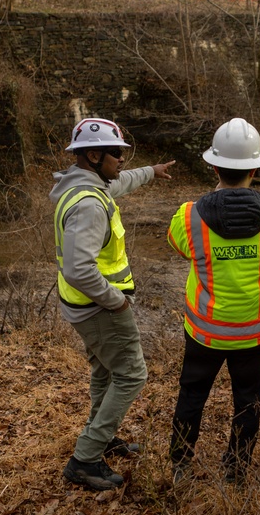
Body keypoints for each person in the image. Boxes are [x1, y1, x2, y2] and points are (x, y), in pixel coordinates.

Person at [51, 117, 175, 491]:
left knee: (105, 372)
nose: (122, 159)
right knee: (132, 375)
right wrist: (116, 301)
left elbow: (121, 182)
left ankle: (102, 439)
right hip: (98, 308)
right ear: (93, 154)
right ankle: (86, 458)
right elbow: (78, 269)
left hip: (81, 305)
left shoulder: (81, 184)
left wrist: (151, 172)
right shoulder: (89, 204)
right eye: (117, 153)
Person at [167, 118, 260, 485]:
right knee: (247, 401)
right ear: (256, 168)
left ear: (213, 165)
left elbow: (179, 247)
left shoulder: (189, 216)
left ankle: (180, 464)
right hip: (254, 335)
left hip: (204, 333)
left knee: (192, 394)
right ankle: (236, 469)